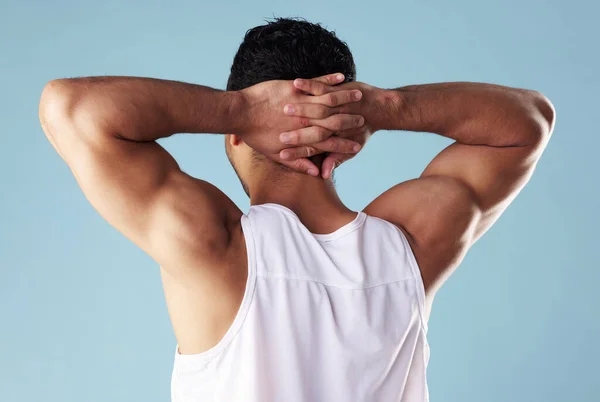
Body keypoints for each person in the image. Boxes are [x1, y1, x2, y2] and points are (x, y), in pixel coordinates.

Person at [38, 17, 555, 402]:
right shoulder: (413, 243)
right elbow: (528, 121)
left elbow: (71, 108)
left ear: (234, 139)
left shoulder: (214, 246)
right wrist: (383, 106)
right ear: (346, 140)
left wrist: (236, 109)